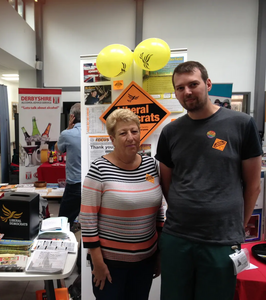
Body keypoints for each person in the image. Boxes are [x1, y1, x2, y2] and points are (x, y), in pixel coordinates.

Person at [155, 61, 262, 300]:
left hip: (221, 239)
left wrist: (237, 226)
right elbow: (167, 183)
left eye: (193, 84)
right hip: (177, 238)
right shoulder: (171, 132)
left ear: (208, 84)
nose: (187, 92)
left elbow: (253, 185)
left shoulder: (242, 124)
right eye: (180, 88)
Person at [81, 108, 164, 300]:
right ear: (112, 139)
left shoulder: (150, 165)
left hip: (145, 260)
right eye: (123, 133)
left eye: (134, 131)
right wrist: (98, 263)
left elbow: (158, 211)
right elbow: (87, 217)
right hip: (110, 263)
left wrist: (158, 253)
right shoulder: (99, 169)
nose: (130, 137)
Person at [55, 103, 81, 226]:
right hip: (95, 184)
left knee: (64, 221)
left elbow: (58, 149)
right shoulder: (94, 132)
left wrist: (68, 128)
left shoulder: (67, 134)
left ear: (72, 117)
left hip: (75, 185)